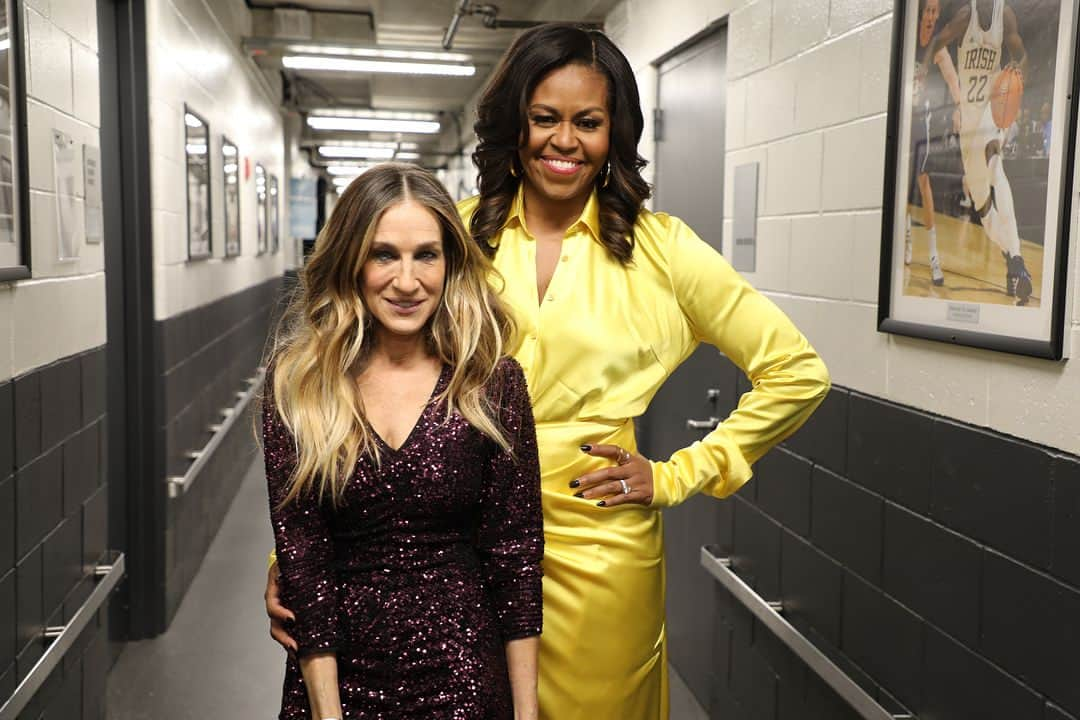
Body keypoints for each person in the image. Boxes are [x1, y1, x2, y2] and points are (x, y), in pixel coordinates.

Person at [268, 25, 830, 719]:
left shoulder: (665, 252)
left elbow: (797, 373)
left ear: (614, 134)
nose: (565, 141)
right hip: (456, 550)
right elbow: (350, 387)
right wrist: (297, 566)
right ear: (515, 124)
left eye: (588, 123)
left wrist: (678, 473)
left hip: (597, 547)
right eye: (545, 119)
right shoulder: (454, 234)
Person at [262, 163, 543, 720]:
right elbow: (304, 555)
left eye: (427, 255)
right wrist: (327, 712)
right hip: (338, 674)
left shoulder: (492, 381)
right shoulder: (300, 385)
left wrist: (526, 713)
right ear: (351, 260)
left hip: (464, 673)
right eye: (384, 253)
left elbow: (515, 558)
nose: (408, 281)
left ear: (450, 263)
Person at [921, 0, 1033, 304]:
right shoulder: (965, 16)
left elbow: (1022, 56)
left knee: (997, 167)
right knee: (984, 212)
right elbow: (938, 41)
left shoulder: (1004, 15)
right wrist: (924, 66)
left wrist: (1017, 69)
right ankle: (1013, 261)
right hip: (968, 125)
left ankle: (1020, 263)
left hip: (991, 113)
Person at [906, 0, 963, 286]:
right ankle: (904, 235)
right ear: (920, 14)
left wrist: (959, 106)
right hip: (900, 121)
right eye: (926, 11)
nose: (930, 16)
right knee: (900, 186)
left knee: (923, 182)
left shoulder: (937, 45)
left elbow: (952, 79)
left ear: (938, 15)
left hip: (919, 122)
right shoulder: (907, 39)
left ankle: (932, 256)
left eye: (934, 12)